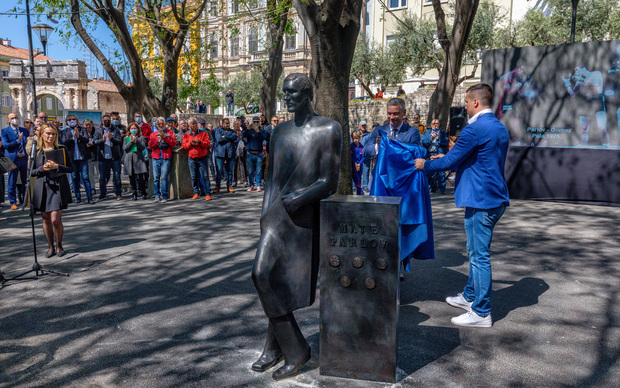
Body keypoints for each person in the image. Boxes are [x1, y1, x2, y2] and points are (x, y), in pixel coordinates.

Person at [252, 73, 341, 380]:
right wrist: (265, 218)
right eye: (284, 93)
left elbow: (329, 181)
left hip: (303, 219)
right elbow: (271, 180)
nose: (286, 98)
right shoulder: (279, 131)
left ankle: (281, 348)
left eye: (291, 93)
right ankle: (291, 348)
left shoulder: (329, 129)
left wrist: (300, 198)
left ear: (306, 95)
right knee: (262, 274)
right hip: (276, 217)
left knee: (276, 281)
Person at [415, 83, 510, 328]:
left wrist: (424, 164)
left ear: (476, 102)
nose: (465, 106)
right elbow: (479, 159)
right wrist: (446, 159)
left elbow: (452, 160)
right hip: (492, 197)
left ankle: (481, 312)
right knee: (475, 252)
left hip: (481, 200)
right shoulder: (499, 127)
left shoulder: (475, 129)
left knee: (479, 257)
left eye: (467, 102)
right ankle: (470, 296)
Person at [31, 124, 74, 258]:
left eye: (53, 134)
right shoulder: (36, 151)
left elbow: (70, 168)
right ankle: (50, 247)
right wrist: (42, 169)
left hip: (58, 186)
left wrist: (57, 166)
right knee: (45, 219)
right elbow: (31, 172)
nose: (51, 136)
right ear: (41, 135)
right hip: (43, 186)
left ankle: (59, 245)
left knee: (55, 219)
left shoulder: (61, 149)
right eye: (48, 133)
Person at [60, 114, 94, 204]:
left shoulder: (82, 129)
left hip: (82, 157)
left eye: (73, 119)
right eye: (70, 120)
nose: (72, 121)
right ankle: (77, 196)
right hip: (72, 158)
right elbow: (64, 142)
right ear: (67, 122)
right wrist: (73, 138)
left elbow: (87, 139)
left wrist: (78, 136)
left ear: (76, 120)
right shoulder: (64, 131)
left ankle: (89, 197)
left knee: (85, 177)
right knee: (75, 178)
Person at [1, 112, 29, 209]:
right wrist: (17, 141)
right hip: (12, 159)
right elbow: (6, 145)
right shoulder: (5, 131)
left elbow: (27, 143)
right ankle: (13, 201)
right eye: (12, 118)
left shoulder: (24, 130)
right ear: (8, 120)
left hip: (23, 158)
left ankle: (25, 199)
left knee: (25, 180)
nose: (14, 119)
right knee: (12, 181)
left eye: (16, 117)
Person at [93, 114, 123, 201]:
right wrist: (102, 140)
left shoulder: (115, 130)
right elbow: (95, 142)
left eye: (108, 120)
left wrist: (111, 139)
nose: (107, 122)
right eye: (105, 121)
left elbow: (119, 141)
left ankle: (118, 193)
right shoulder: (98, 130)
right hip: (103, 157)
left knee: (117, 176)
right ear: (102, 122)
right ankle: (103, 193)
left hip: (114, 157)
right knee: (102, 177)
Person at [182, 118, 212, 200]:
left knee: (205, 176)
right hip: (192, 158)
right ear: (189, 125)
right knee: (193, 176)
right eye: (192, 124)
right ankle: (196, 192)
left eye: (195, 123)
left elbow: (207, 143)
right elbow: (184, 145)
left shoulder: (204, 133)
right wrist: (191, 143)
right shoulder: (186, 134)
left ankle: (208, 193)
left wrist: (199, 143)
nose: (194, 125)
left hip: (202, 157)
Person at [149, 117, 177, 202]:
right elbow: (150, 145)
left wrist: (165, 137)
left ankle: (164, 195)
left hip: (166, 157)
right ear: (156, 125)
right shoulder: (153, 134)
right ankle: (157, 195)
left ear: (165, 124)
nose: (161, 125)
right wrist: (158, 141)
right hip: (156, 157)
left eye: (162, 124)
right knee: (156, 177)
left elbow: (173, 143)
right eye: (159, 124)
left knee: (164, 177)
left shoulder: (170, 133)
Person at [421, 118, 449, 194]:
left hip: (439, 154)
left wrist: (438, 139)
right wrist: (431, 139)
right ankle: (431, 188)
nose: (435, 125)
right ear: (431, 125)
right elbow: (424, 142)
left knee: (441, 172)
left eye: (437, 123)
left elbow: (446, 142)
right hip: (431, 153)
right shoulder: (428, 132)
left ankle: (442, 189)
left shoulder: (442, 133)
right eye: (434, 124)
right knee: (430, 171)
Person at [123, 122, 149, 200]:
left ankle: (143, 192)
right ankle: (134, 193)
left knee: (141, 178)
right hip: (129, 160)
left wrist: (136, 141)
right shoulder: (126, 138)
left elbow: (143, 147)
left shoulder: (141, 138)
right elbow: (125, 148)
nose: (133, 130)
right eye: (132, 129)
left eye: (135, 128)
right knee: (132, 178)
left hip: (139, 160)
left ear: (138, 129)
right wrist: (131, 142)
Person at [243, 116, 269, 192]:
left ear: (260, 122)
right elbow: (243, 135)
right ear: (252, 122)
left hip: (259, 153)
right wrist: (248, 128)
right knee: (250, 170)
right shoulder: (249, 131)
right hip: (250, 153)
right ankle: (251, 185)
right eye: (254, 122)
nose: (256, 123)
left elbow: (264, 138)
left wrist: (258, 131)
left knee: (258, 170)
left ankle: (258, 185)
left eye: (257, 122)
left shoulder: (262, 131)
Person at [213, 118, 237, 193]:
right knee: (219, 171)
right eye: (226, 123)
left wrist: (225, 137)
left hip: (230, 153)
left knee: (230, 171)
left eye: (228, 123)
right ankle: (217, 186)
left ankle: (229, 186)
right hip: (220, 153)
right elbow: (219, 139)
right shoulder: (218, 131)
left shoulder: (232, 131)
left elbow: (234, 137)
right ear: (222, 124)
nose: (227, 125)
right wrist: (228, 138)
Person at [357, 120, 371, 193]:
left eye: (365, 125)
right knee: (357, 170)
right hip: (357, 155)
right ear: (359, 126)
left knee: (366, 171)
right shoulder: (356, 134)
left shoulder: (369, 135)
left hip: (365, 155)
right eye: (362, 126)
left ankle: (365, 186)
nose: (364, 127)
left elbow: (370, 144)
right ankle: (356, 185)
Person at [350, 130, 364, 195]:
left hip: (360, 165)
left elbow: (363, 156)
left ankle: (359, 192)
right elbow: (350, 156)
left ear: (359, 138)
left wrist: (359, 163)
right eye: (354, 138)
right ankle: (360, 190)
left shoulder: (362, 147)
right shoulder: (351, 146)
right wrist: (355, 163)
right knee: (356, 178)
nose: (355, 140)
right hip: (353, 165)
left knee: (359, 177)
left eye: (356, 138)